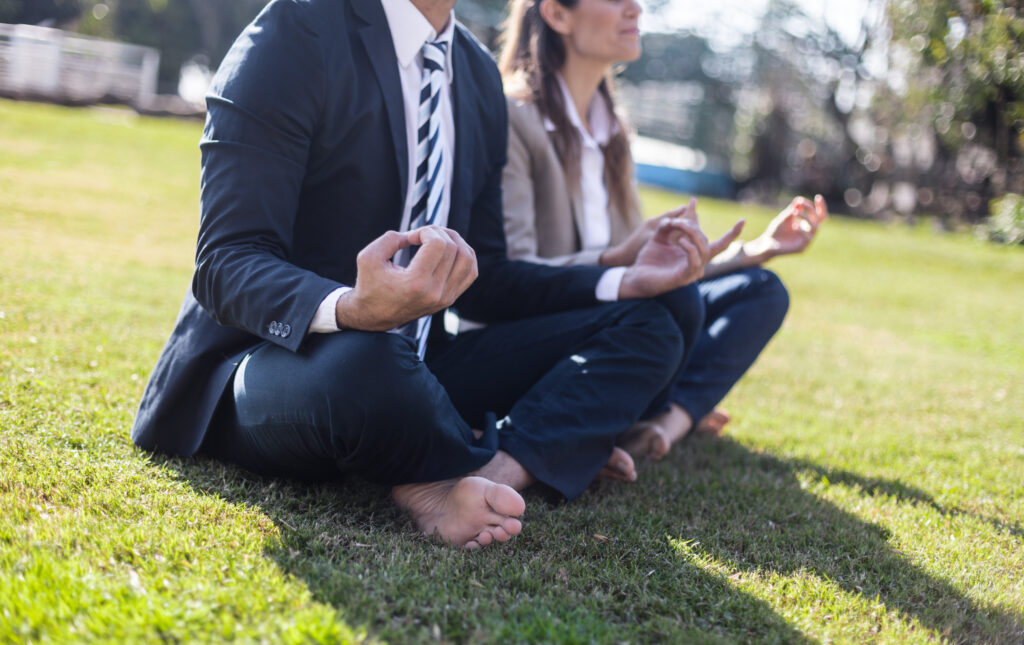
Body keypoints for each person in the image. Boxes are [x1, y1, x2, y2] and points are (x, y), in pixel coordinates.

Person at [131, 0, 726, 549]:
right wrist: (350, 308)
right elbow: (226, 261)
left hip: (423, 364)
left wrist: (620, 280)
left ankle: (495, 468)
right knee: (369, 362)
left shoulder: (473, 73)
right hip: (276, 362)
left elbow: (488, 277)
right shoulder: (297, 31)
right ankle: (479, 453)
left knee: (663, 315)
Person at [497, 0, 829, 458]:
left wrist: (758, 249)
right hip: (551, 333)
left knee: (761, 290)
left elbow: (648, 272)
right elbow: (512, 275)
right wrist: (617, 268)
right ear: (557, 14)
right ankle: (650, 416)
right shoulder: (513, 118)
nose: (634, 7)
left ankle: (663, 425)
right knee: (669, 305)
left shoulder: (611, 129)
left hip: (623, 318)